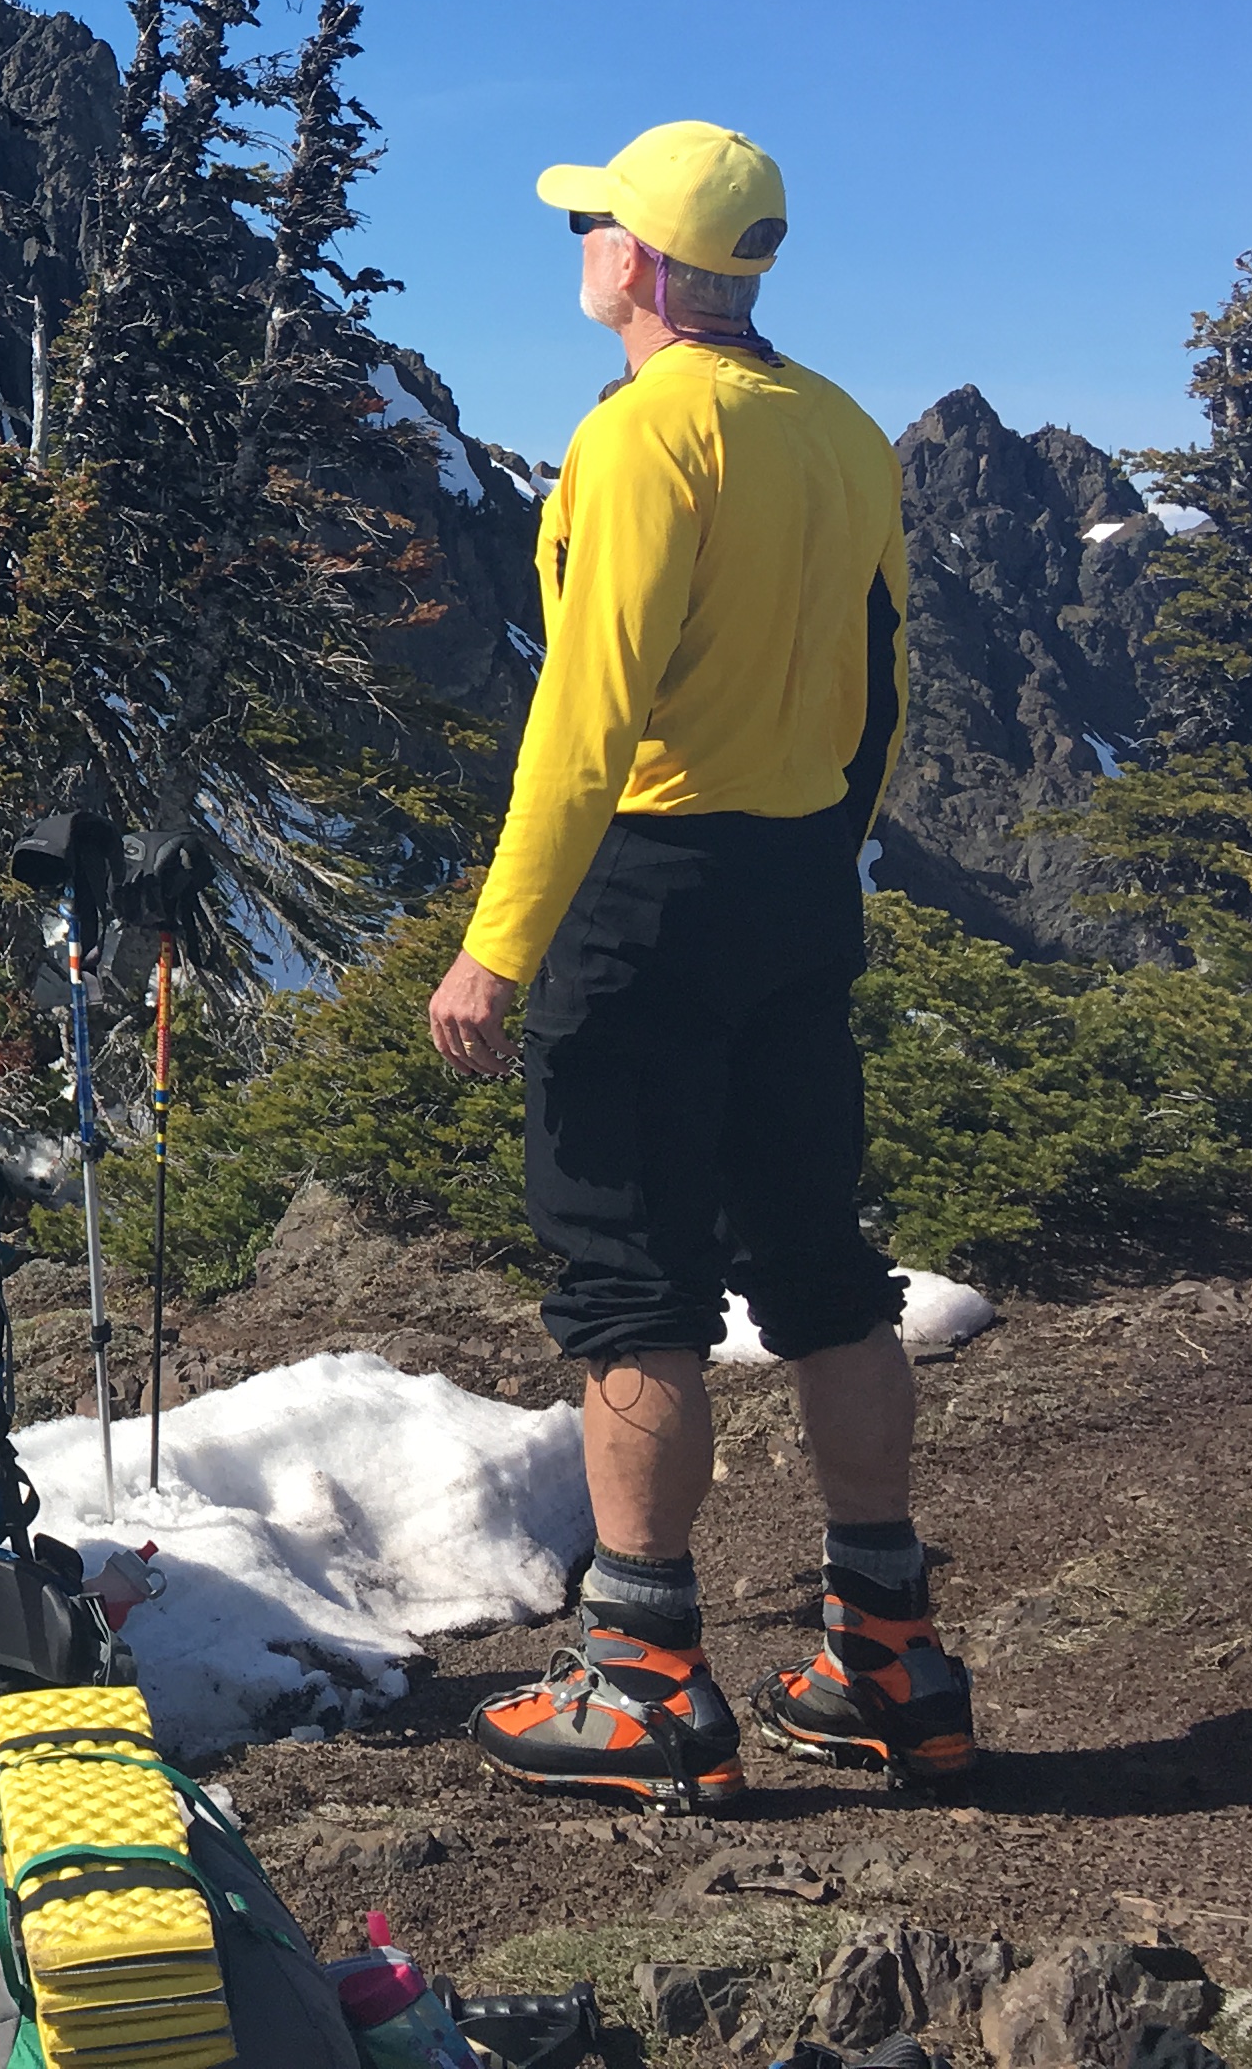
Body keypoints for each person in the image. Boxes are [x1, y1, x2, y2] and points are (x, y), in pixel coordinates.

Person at [425, 122, 976, 1810]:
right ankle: (886, 1653)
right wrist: (828, 846)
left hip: (647, 889)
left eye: (594, 220)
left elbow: (584, 723)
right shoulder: (842, 432)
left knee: (628, 1279)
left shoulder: (643, 439)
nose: (581, 240)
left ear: (642, 265)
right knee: (821, 1258)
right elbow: (884, 678)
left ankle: (645, 1674)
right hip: (803, 873)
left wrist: (497, 949)